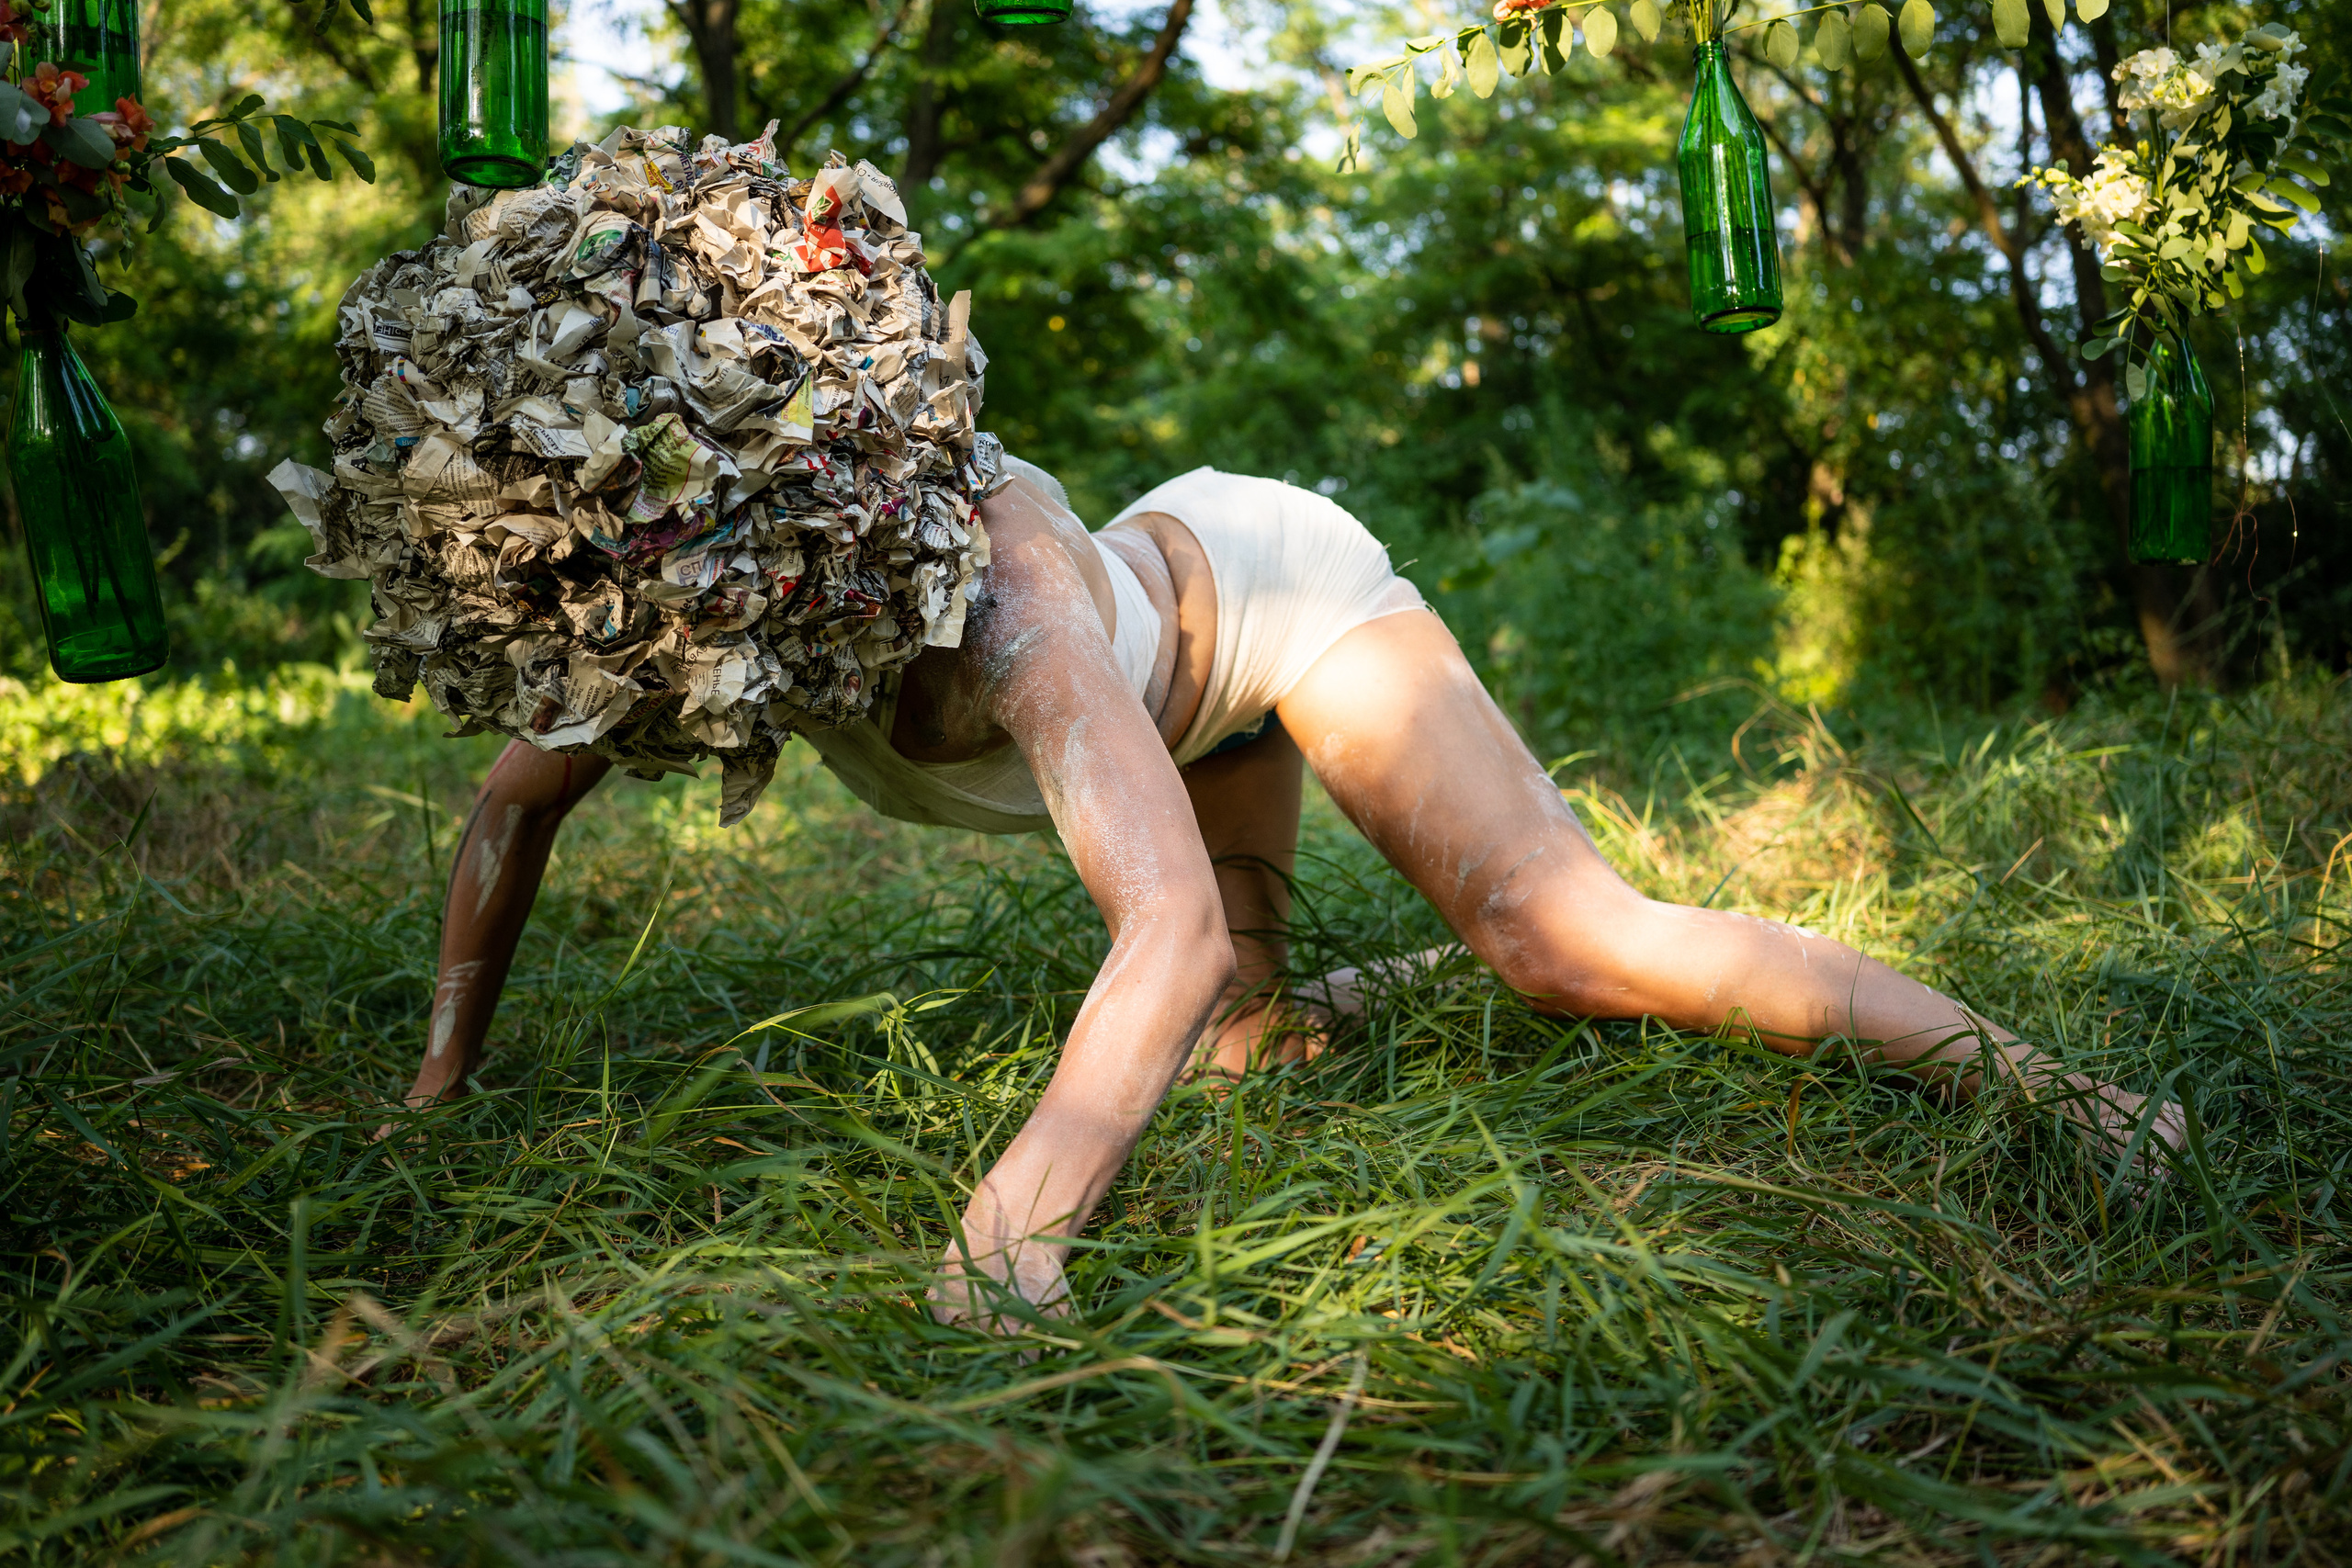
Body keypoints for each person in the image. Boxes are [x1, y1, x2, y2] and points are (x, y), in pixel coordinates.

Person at [398, 460, 2184, 1325]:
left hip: (1264, 606)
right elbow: (507, 810)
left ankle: (2070, 1090)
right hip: (1171, 706)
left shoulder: (1000, 585)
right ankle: (1399, 984)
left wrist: (1013, 1226)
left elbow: (1150, 928)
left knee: (1563, 944)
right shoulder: (684, 601)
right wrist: (435, 1088)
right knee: (1236, 1048)